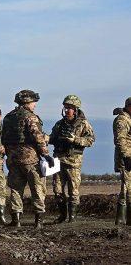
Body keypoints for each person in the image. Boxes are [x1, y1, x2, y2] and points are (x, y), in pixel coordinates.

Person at [2, 90, 53, 228]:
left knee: (15, 190)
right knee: (37, 189)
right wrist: (46, 155)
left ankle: (16, 220)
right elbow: (38, 137)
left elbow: (4, 139)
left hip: (13, 159)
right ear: (27, 102)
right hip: (30, 160)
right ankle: (38, 221)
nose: (35, 105)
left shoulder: (7, 117)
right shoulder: (31, 117)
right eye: (33, 102)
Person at [49, 95, 95, 223]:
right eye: (66, 107)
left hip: (73, 162)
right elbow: (52, 138)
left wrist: (75, 140)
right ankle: (63, 215)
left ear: (75, 109)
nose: (67, 110)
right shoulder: (59, 124)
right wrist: (46, 138)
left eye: (70, 108)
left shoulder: (83, 124)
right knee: (57, 189)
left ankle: (72, 217)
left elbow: (90, 140)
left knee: (73, 190)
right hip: (58, 160)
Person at [113, 97, 131, 225]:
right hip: (126, 158)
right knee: (126, 188)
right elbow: (120, 140)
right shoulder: (122, 120)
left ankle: (128, 219)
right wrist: (127, 157)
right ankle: (121, 219)